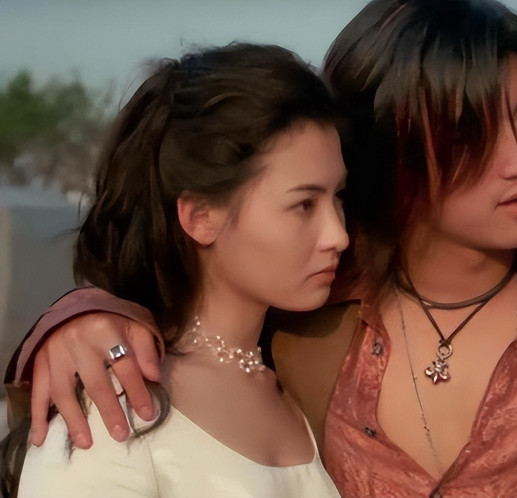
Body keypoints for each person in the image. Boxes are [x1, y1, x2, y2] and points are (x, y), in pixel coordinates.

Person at [4, 0, 517, 496]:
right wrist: (81, 316)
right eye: (473, 133)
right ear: (395, 144)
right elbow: (195, 298)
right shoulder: (307, 300)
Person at [1, 42, 346, 497]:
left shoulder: (305, 382)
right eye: (304, 204)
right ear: (201, 216)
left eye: (338, 197)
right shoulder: (115, 406)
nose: (339, 235)